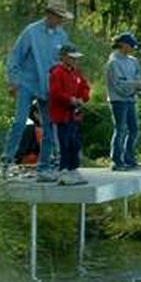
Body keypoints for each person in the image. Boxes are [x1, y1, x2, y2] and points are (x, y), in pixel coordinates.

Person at [1, 0, 72, 181]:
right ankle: (6, 163)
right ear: (49, 14)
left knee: (49, 127)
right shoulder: (31, 32)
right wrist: (13, 81)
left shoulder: (62, 35)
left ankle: (44, 167)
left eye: (62, 18)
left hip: (49, 87)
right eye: (58, 16)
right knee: (19, 122)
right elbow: (15, 57)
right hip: (26, 83)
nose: (60, 21)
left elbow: (65, 62)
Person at [48, 43, 91, 185]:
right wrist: (70, 99)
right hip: (62, 115)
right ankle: (63, 171)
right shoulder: (57, 72)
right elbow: (56, 93)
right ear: (63, 57)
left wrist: (82, 98)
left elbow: (85, 87)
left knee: (75, 143)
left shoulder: (77, 73)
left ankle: (73, 169)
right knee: (64, 144)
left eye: (76, 58)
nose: (75, 61)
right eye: (71, 58)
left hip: (75, 115)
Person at [106, 31, 141, 170]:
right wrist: (133, 85)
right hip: (118, 100)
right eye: (131, 46)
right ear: (122, 45)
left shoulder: (133, 61)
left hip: (131, 100)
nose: (133, 48)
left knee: (134, 129)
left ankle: (129, 158)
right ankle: (117, 160)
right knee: (121, 129)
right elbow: (118, 85)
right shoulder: (113, 62)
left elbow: (139, 79)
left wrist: (137, 86)